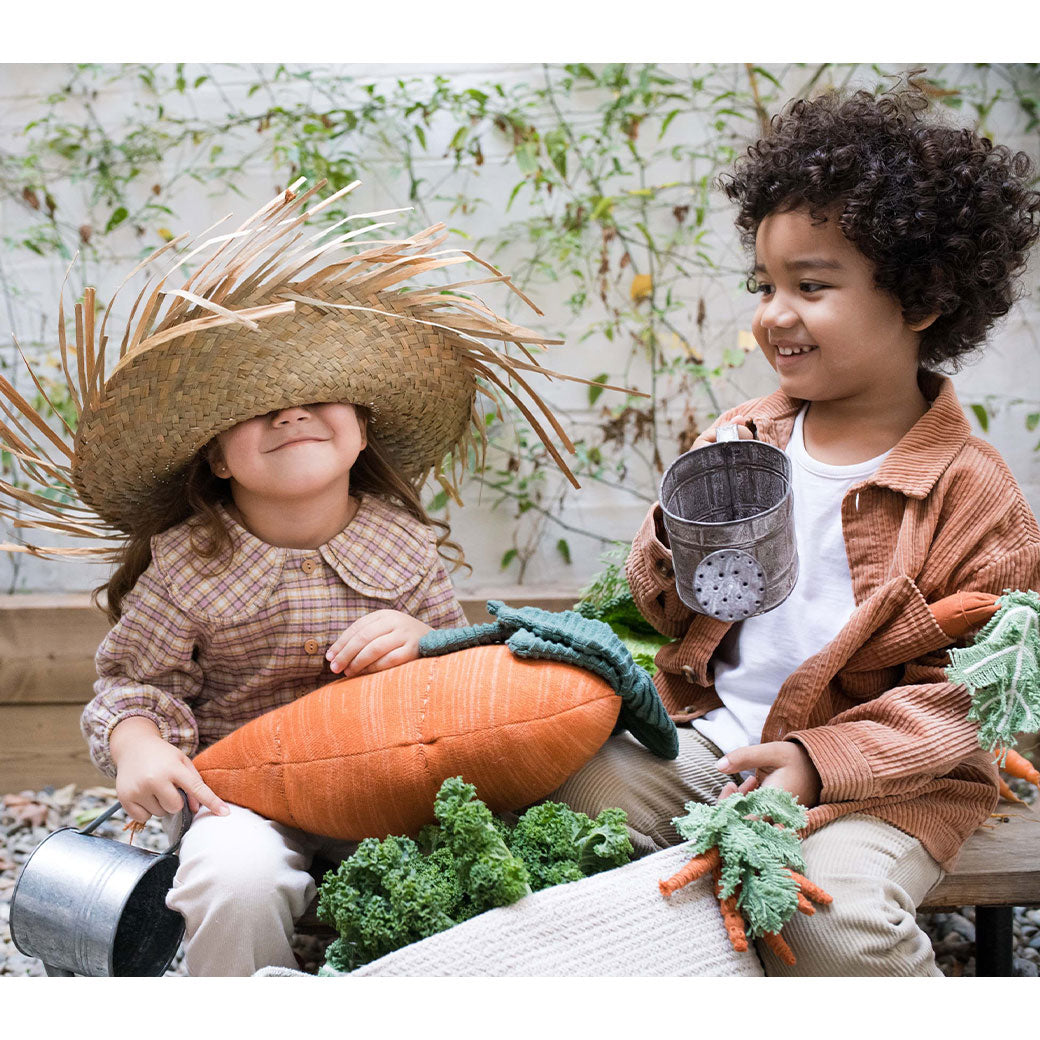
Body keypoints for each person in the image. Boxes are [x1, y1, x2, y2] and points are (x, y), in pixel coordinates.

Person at [1, 184, 581, 975]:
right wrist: (138, 748)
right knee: (232, 882)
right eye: (257, 407)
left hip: (384, 786)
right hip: (241, 800)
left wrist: (423, 641)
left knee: (471, 874)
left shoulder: (403, 549)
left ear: (363, 427)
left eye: (315, 394)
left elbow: (464, 678)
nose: (290, 413)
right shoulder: (188, 567)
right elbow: (134, 689)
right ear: (214, 456)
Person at [553, 82, 1040, 975]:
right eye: (766, 285)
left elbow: (966, 702)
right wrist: (675, 532)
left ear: (922, 299)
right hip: (720, 736)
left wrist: (818, 762)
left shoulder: (973, 495)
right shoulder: (742, 437)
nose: (776, 313)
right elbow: (662, 611)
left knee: (829, 920)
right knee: (570, 795)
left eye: (811, 286)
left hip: (887, 780)